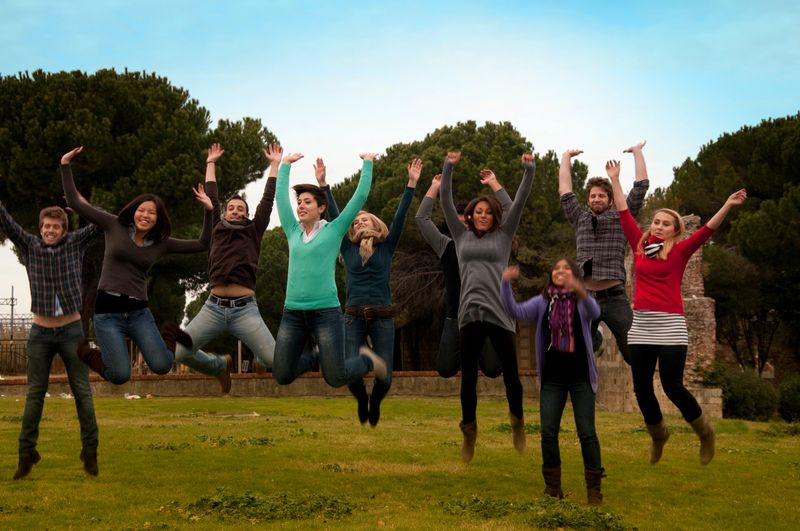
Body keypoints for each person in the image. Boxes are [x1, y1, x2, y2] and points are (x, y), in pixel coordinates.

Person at [607, 159, 747, 465]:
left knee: (672, 386)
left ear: (675, 230)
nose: (658, 226)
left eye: (665, 223)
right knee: (642, 389)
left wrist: (727, 204)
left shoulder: (681, 250)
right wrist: (615, 180)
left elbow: (707, 230)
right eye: (655, 221)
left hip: (671, 326)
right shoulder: (639, 246)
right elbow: (623, 213)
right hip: (642, 324)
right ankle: (659, 435)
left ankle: (705, 432)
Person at [60, 146, 212, 384]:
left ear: (157, 218)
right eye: (141, 210)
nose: (145, 215)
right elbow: (74, 202)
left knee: (162, 365)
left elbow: (204, 243)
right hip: (107, 312)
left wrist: (209, 211)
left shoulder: (161, 243)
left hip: (138, 312)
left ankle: (170, 331)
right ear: (133, 211)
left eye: (151, 213)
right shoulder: (114, 225)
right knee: (119, 375)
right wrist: (65, 165)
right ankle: (86, 352)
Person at [440, 150, 535, 463]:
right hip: (469, 315)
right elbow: (444, 200)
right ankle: (469, 431)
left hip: (500, 315)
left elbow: (516, 203)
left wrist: (527, 170)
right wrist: (448, 168)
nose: (482, 215)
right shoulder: (460, 236)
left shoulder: (503, 236)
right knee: (468, 378)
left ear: (495, 216)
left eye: (488, 212)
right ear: (470, 214)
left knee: (511, 376)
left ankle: (517, 422)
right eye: (477, 211)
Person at [1, 195, 100, 479]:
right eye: (46, 226)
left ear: (64, 229)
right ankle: (25, 453)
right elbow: (7, 222)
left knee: (82, 392)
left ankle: (90, 451)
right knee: (34, 395)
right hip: (40, 333)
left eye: (56, 227)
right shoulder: (31, 246)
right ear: (40, 228)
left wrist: (81, 206)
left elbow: (101, 222)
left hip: (72, 332)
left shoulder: (75, 243)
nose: (50, 231)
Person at [271, 152, 386, 388]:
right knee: (282, 375)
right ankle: (316, 355)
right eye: (299, 202)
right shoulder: (292, 230)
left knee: (335, 377)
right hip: (292, 313)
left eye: (307, 202)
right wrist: (284, 166)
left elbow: (359, 197)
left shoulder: (333, 231)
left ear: (321, 207)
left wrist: (367, 164)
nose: (301, 206)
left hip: (325, 313)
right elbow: (281, 201)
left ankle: (367, 360)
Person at [174, 143, 281, 393]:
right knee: (180, 351)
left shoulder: (254, 230)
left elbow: (267, 200)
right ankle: (218, 366)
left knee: (274, 360)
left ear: (247, 215)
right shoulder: (217, 227)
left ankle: (260, 360)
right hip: (213, 308)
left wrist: (274, 165)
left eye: (240, 209)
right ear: (224, 212)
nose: (234, 211)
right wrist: (210, 162)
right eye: (231, 208)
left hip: (245, 310)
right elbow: (211, 195)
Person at [320, 157, 418, 425]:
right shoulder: (347, 249)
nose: (359, 222)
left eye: (364, 219)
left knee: (385, 376)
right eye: (356, 221)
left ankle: (375, 400)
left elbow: (400, 217)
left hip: (383, 318)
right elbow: (337, 216)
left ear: (375, 225)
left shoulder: (386, 247)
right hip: (352, 317)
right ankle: (362, 399)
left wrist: (411, 184)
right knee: (350, 373)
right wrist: (324, 185)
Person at [501, 261, 604, 505]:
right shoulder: (543, 302)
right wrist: (505, 283)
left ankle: (594, 489)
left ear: (574, 276)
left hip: (581, 377)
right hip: (552, 379)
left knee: (587, 432)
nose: (559, 272)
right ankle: (552, 487)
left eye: (565, 269)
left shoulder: (582, 302)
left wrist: (580, 290)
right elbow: (514, 311)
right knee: (548, 433)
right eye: (556, 269)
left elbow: (595, 312)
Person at [559, 142, 650, 364]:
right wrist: (566, 158)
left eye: (601, 195)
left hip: (615, 298)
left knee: (634, 351)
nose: (596, 199)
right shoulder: (580, 218)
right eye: (592, 196)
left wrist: (637, 153)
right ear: (588, 199)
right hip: (585, 297)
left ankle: (642, 391)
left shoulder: (621, 218)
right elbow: (565, 191)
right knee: (575, 353)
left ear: (610, 199)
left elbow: (640, 188)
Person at [415, 173, 507, 379]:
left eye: (466, 222)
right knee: (446, 369)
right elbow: (421, 219)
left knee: (493, 369)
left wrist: (493, 183)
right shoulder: (446, 245)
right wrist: (435, 186)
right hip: (455, 316)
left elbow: (509, 210)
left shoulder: (493, 243)